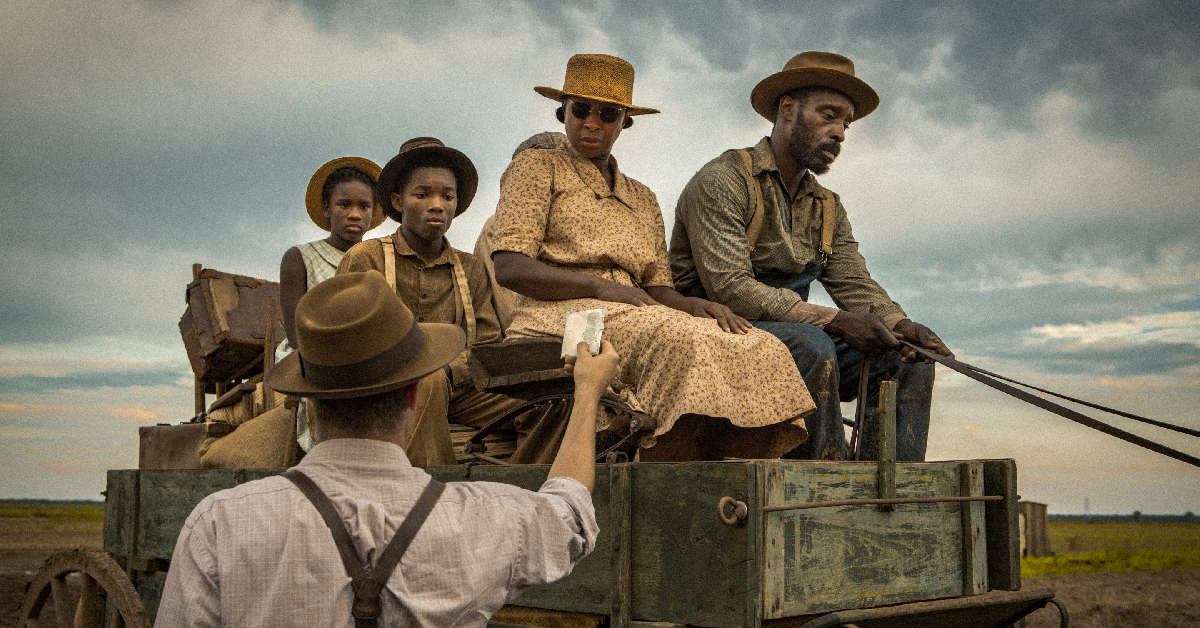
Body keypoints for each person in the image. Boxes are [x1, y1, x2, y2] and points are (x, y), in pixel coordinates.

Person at [155, 270, 609, 628]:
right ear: (414, 395)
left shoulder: (220, 523)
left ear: (307, 402)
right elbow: (569, 515)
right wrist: (586, 391)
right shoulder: (484, 519)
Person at [491, 53, 814, 462]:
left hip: (634, 311)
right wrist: (600, 286)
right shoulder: (538, 166)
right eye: (580, 110)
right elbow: (510, 267)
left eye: (607, 114)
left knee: (760, 345)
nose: (591, 123)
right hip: (558, 315)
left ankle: (731, 476)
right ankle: (661, 479)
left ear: (625, 121)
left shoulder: (641, 197)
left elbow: (657, 288)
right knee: (678, 340)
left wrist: (699, 305)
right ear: (562, 112)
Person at [670, 51, 955, 461]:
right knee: (812, 346)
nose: (839, 132)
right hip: (712, 333)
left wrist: (901, 324)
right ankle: (827, 486)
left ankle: (891, 494)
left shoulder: (827, 206)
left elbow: (854, 282)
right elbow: (731, 289)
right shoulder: (723, 180)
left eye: (845, 123)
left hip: (792, 333)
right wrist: (837, 321)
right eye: (829, 115)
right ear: (788, 109)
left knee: (907, 360)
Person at [337, 138, 566, 466]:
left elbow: (487, 346)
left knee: (555, 401)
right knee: (426, 380)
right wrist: (425, 370)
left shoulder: (471, 268)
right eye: (422, 195)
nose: (437, 205)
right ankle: (431, 494)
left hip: (458, 386)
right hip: (381, 393)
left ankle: (521, 487)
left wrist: (452, 369)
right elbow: (348, 347)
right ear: (397, 201)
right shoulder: (366, 258)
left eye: (447, 196)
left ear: (457, 205)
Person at [278, 156, 387, 452]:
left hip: (370, 357)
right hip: (313, 358)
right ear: (327, 208)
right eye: (344, 205)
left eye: (364, 206)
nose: (355, 214)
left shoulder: (381, 260)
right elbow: (295, 333)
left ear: (373, 211)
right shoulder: (299, 258)